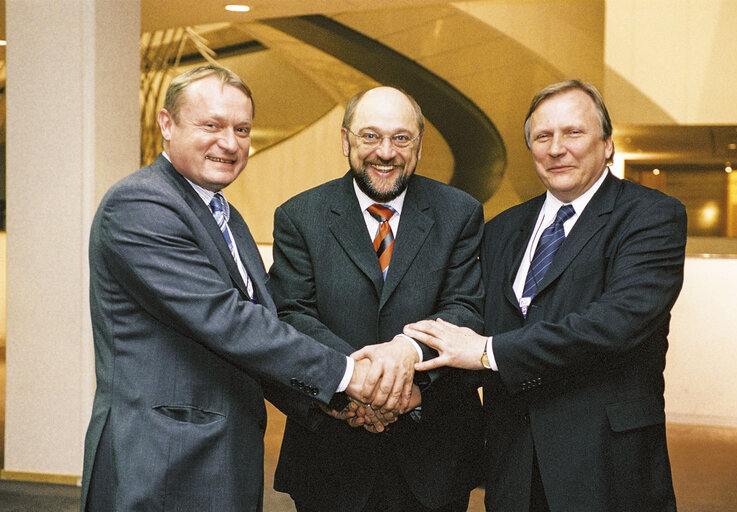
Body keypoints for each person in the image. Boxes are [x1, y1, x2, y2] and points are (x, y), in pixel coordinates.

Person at [80, 65, 403, 512]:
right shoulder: (141, 205)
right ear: (167, 125)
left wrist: (330, 404)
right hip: (160, 461)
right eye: (210, 125)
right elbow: (229, 323)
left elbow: (260, 329)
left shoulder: (226, 216)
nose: (229, 143)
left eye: (242, 128)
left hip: (220, 455)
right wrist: (349, 377)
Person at [405, 80, 687, 511]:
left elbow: (615, 323)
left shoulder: (651, 216)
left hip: (606, 464)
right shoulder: (500, 229)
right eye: (543, 136)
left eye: (573, 132)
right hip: (513, 463)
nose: (557, 148)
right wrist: (407, 379)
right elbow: (470, 323)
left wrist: (487, 351)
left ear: (607, 144)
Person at [268, 86, 485, 512]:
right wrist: (356, 383)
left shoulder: (460, 213)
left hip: (434, 457)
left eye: (401, 138)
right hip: (329, 455)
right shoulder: (299, 217)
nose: (385, 152)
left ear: (419, 146)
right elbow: (291, 315)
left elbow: (466, 310)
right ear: (345, 140)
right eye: (370, 136)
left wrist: (406, 358)